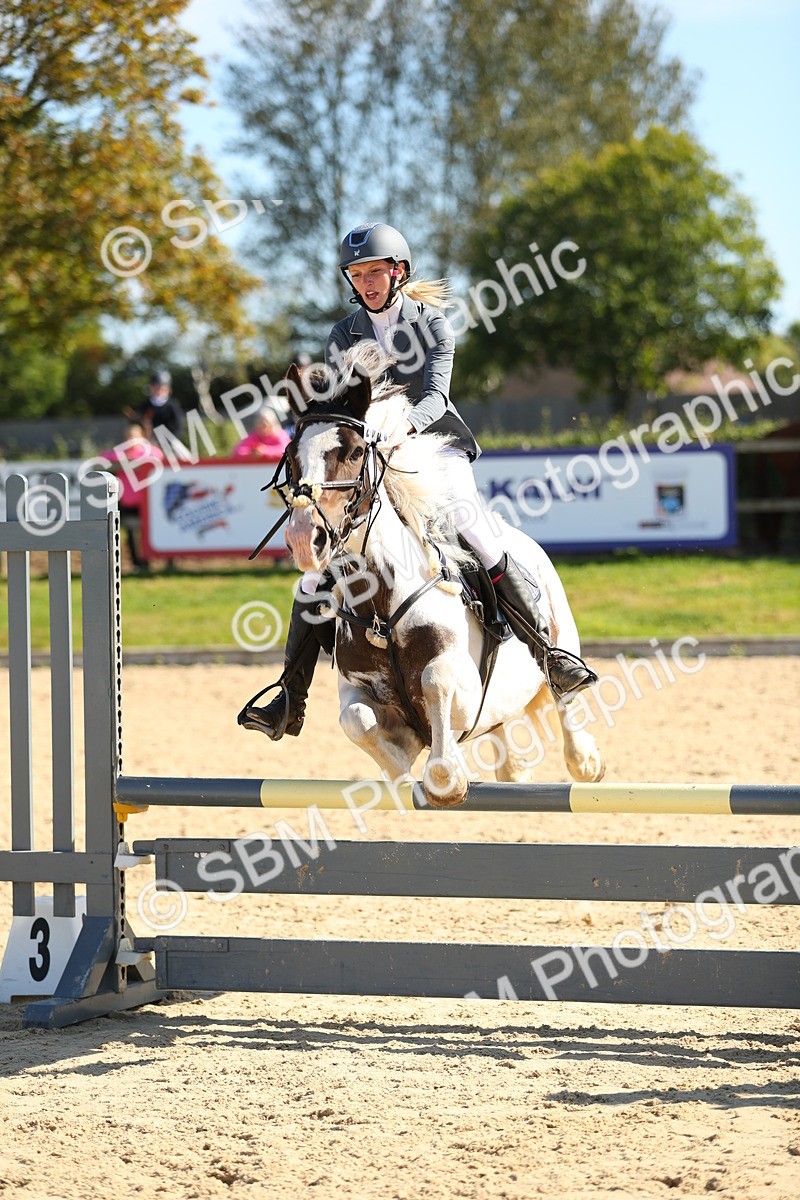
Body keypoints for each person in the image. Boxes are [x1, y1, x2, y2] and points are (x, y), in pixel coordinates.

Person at [239, 222, 597, 740]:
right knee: (324, 566)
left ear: (398, 272)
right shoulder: (343, 333)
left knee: (473, 531)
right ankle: (289, 698)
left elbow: (434, 397)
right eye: (357, 274)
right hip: (372, 456)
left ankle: (550, 656)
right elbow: (343, 403)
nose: (366, 282)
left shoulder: (433, 325)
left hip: (434, 447)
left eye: (374, 272)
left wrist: (396, 430)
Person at [99, 422, 165, 571]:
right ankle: (137, 564)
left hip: (148, 502)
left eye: (135, 435)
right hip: (128, 501)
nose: (132, 439)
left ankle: (152, 561)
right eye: (129, 436)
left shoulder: (149, 451)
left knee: (149, 534)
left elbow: (158, 456)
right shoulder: (119, 454)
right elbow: (103, 457)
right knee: (131, 532)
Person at [140, 370, 184, 442]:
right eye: (156, 387)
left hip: (170, 440)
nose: (159, 390)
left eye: (162, 388)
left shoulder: (172, 404)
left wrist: (170, 441)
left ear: (168, 389)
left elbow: (178, 426)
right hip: (149, 441)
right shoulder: (145, 405)